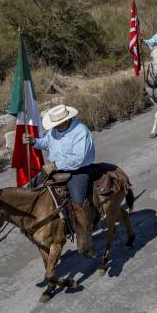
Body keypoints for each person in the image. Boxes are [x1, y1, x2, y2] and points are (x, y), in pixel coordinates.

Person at [23, 104, 97, 255]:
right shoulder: (54, 131)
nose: (56, 127)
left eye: (58, 124)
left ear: (67, 120)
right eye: (54, 125)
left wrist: (56, 164)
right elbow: (46, 142)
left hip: (78, 170)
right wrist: (34, 142)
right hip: (55, 169)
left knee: (77, 203)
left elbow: (79, 159)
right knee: (30, 190)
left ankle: (84, 236)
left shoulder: (81, 132)